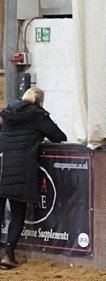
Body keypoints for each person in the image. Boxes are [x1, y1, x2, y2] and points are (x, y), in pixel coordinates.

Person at [0, 87, 67, 268]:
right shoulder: (38, 116)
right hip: (21, 169)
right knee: (17, 214)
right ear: (39, 101)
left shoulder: (8, 114)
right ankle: (8, 255)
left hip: (1, 164)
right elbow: (59, 137)